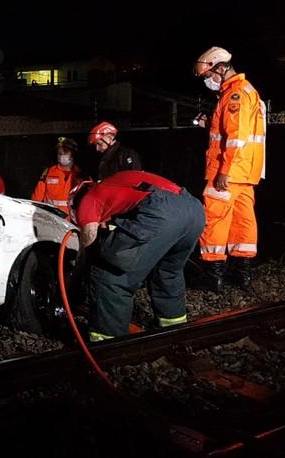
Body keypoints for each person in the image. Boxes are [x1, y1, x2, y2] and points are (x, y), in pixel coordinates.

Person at [73, 170, 205, 341]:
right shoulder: (114, 184)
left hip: (161, 210)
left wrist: (86, 266)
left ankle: (107, 342)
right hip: (193, 209)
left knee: (110, 274)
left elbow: (89, 240)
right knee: (166, 271)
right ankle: (175, 330)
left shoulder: (88, 197)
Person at [193, 46, 267, 291]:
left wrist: (224, 170)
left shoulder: (234, 95)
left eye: (207, 76)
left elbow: (236, 137)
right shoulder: (246, 92)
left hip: (227, 172)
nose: (207, 81)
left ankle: (213, 277)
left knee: (214, 219)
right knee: (243, 221)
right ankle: (241, 275)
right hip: (246, 173)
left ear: (221, 67)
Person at [31, 137, 88, 214]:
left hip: (73, 219)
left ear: (72, 154)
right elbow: (36, 198)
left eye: (65, 153)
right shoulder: (48, 172)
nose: (62, 156)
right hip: (52, 217)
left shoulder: (81, 175)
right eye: (59, 153)